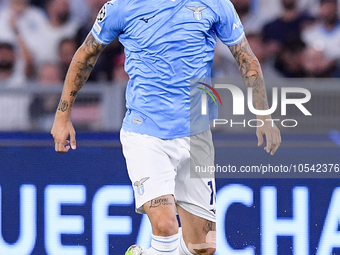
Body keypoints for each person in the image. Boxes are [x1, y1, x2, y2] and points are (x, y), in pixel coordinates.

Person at [51, 1, 281, 254]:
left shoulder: (215, 4)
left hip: (196, 135)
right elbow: (86, 54)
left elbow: (245, 56)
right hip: (145, 134)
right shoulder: (121, 6)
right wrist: (63, 116)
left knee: (203, 247)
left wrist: (264, 115)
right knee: (165, 225)